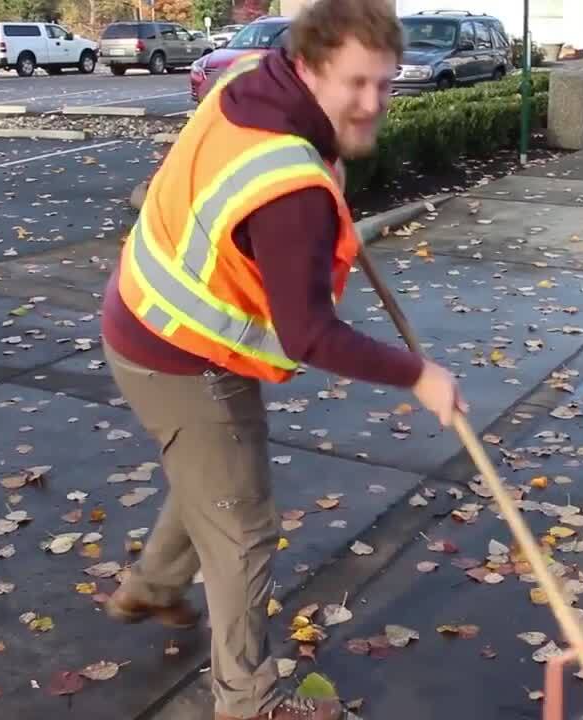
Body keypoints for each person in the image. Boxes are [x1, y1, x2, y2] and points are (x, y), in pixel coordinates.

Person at [98, 1, 467, 718]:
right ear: (308, 66)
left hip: (145, 315)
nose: (372, 103)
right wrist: (417, 373)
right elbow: (307, 335)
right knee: (243, 528)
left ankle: (153, 586)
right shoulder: (288, 186)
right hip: (176, 354)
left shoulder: (251, 86)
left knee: (214, 478)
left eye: (384, 84)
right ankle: (247, 700)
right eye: (355, 83)